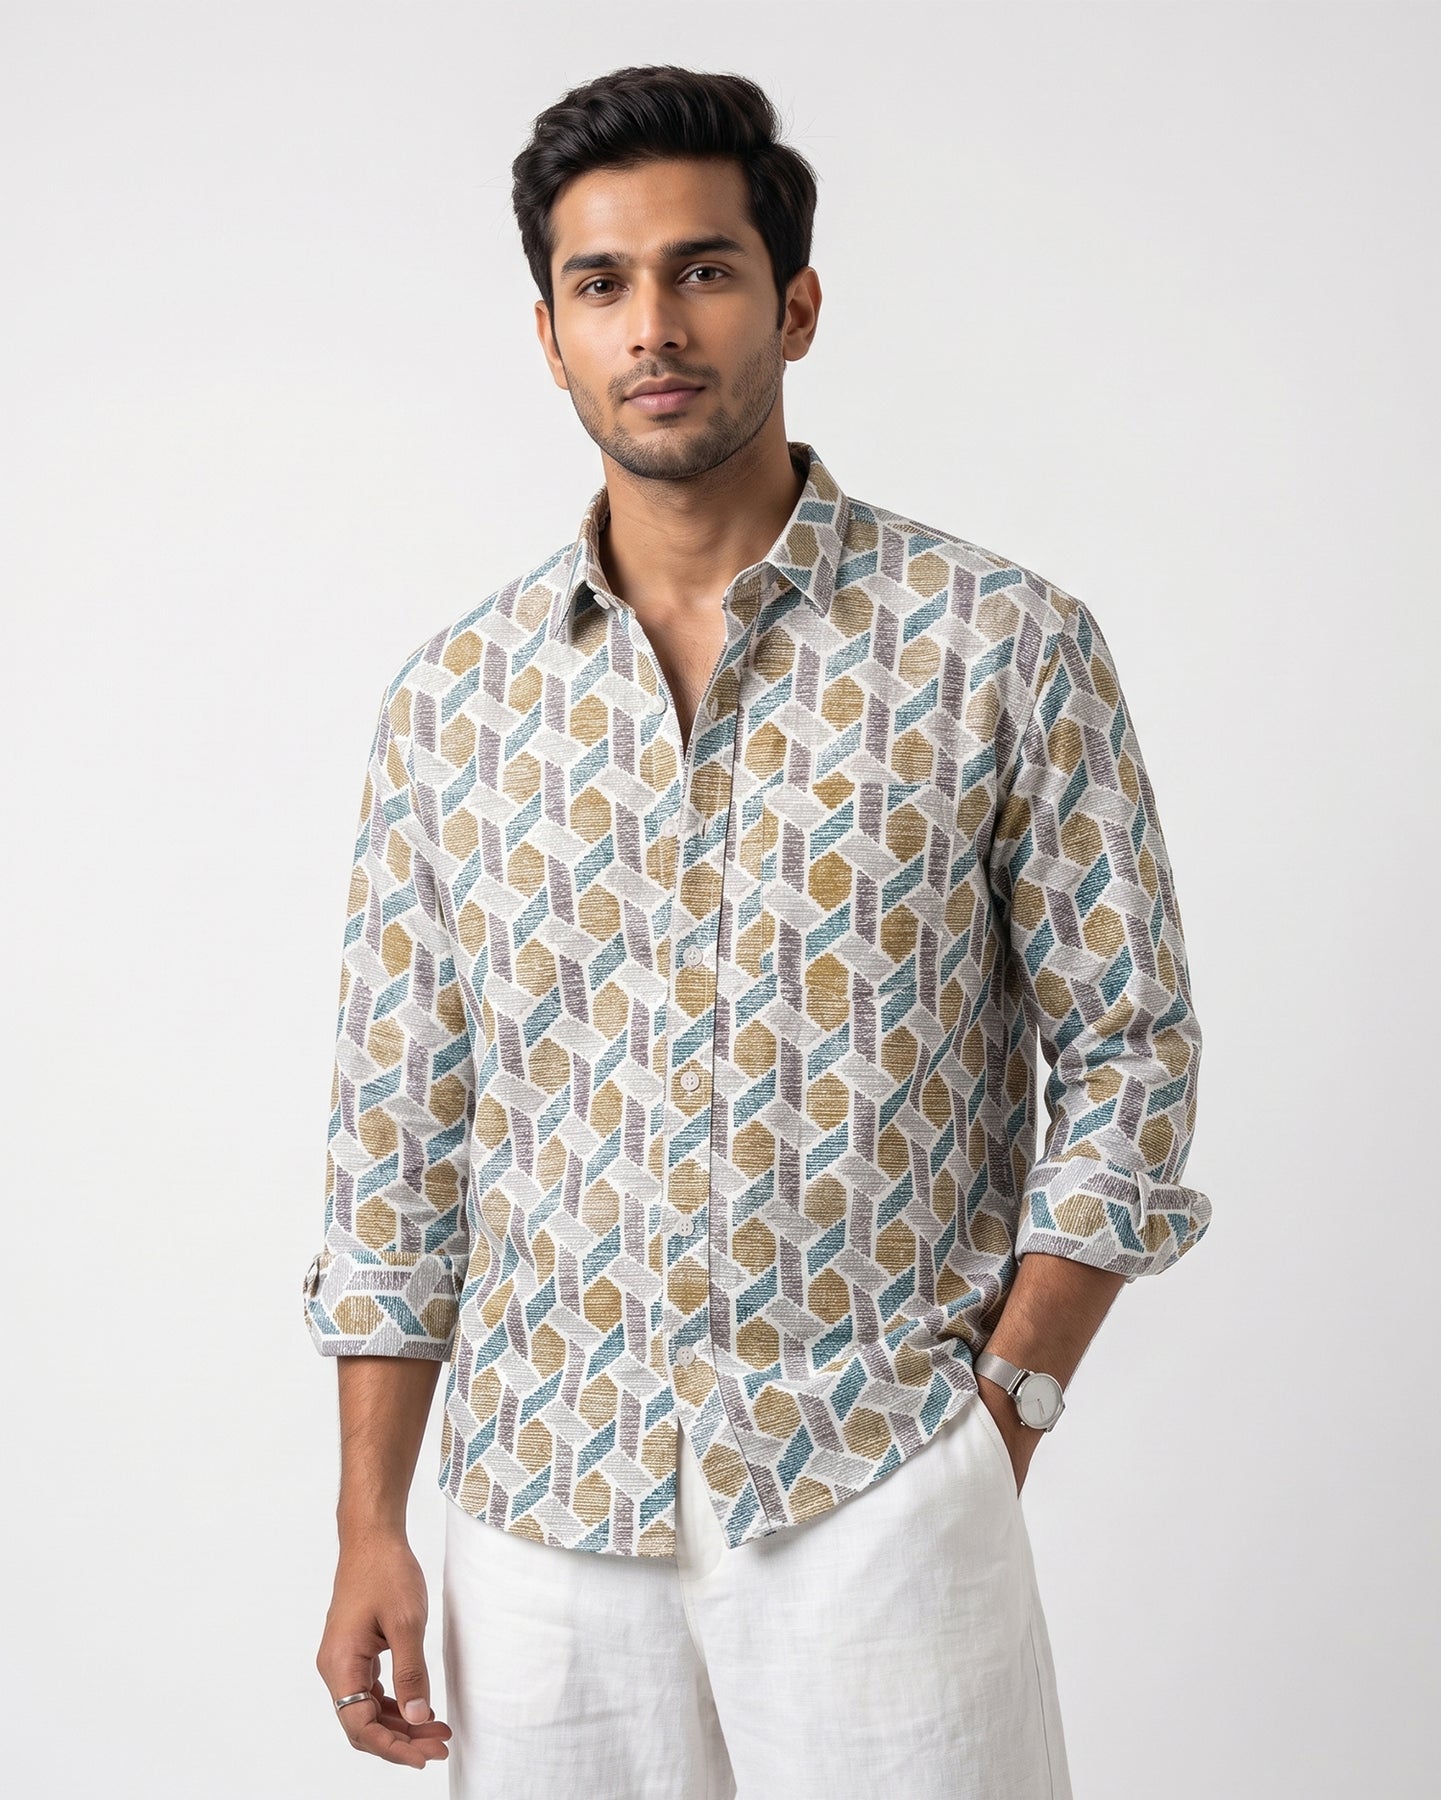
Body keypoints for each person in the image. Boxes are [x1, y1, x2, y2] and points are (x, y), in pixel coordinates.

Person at [301, 63, 1212, 1800]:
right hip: (542, 1514)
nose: (653, 325)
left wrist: (1005, 1406)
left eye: (702, 270)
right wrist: (368, 1522)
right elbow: (396, 1134)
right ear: (549, 335)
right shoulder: (453, 706)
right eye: (601, 283)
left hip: (875, 1481)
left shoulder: (998, 646)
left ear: (792, 304)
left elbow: (1130, 1046)